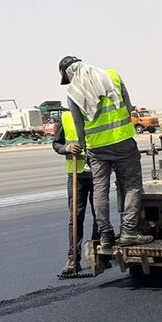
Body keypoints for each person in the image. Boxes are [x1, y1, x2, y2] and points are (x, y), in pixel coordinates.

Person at [58, 56, 152, 254]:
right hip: (123, 142)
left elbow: (79, 127)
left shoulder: (73, 93)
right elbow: (128, 107)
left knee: (101, 190)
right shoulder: (112, 76)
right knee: (132, 185)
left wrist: (85, 148)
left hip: (97, 149)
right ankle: (128, 232)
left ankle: (106, 235)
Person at [53, 109, 98, 275]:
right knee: (75, 217)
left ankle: (97, 254)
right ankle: (73, 259)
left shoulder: (98, 114)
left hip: (98, 174)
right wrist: (66, 148)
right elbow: (56, 144)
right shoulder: (66, 118)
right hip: (76, 176)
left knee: (99, 215)